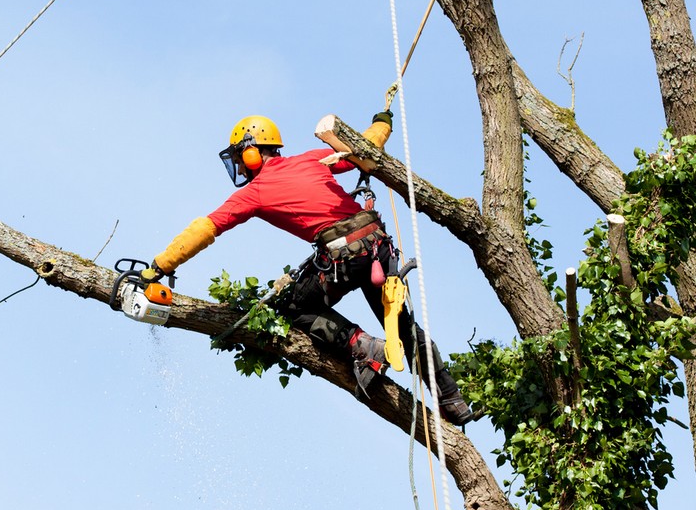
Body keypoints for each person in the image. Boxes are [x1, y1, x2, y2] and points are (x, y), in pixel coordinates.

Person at [143, 114, 475, 426]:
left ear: (250, 153)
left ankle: (364, 346)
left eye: (240, 157)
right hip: (377, 248)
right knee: (403, 328)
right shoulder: (311, 159)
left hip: (343, 257)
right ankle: (452, 399)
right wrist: (381, 123)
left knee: (291, 307)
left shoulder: (254, 193)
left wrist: (159, 266)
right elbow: (363, 146)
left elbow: (205, 228)